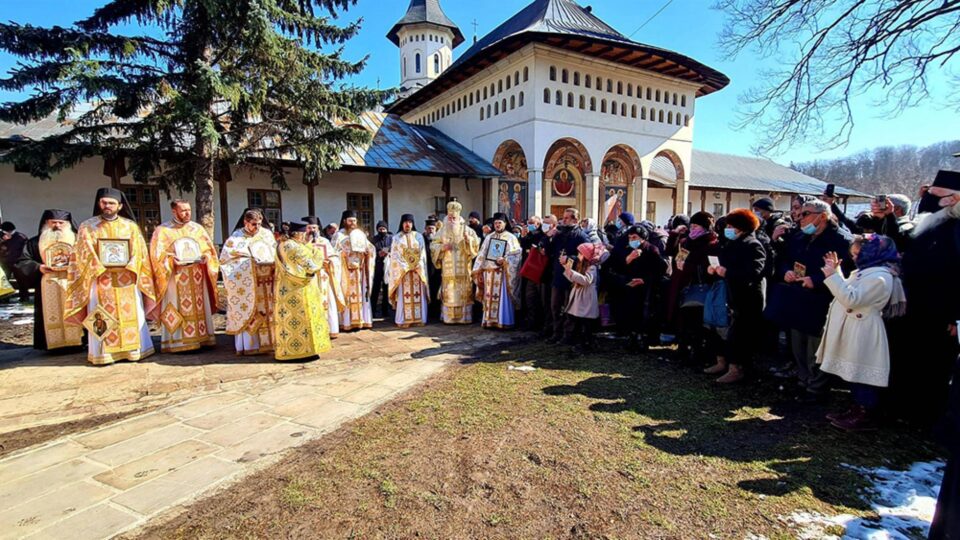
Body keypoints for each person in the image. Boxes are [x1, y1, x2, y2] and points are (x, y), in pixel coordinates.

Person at [765, 199, 853, 402]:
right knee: (798, 343)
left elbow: (846, 272)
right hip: (797, 296)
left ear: (822, 216)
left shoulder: (841, 241)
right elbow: (784, 259)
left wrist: (816, 280)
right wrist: (786, 271)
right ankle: (803, 379)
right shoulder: (799, 237)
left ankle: (816, 386)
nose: (800, 217)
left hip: (822, 300)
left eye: (806, 214)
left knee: (817, 347)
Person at [816, 234, 901, 431]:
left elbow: (852, 299)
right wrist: (836, 271)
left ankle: (866, 413)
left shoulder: (880, 277)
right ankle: (856, 408)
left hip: (864, 330)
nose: (854, 258)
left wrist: (832, 276)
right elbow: (845, 289)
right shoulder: (866, 272)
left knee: (862, 373)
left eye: (857, 254)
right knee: (853, 372)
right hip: (853, 328)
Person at [64, 188, 158, 365]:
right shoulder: (87, 227)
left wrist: (129, 266)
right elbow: (83, 253)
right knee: (101, 315)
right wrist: (99, 268)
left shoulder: (130, 226)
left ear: (120, 206)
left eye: (111, 203)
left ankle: (133, 351)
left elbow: (140, 252)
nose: (107, 206)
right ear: (99, 203)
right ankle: (103, 354)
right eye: (103, 202)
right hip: (100, 280)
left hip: (127, 280)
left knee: (132, 314)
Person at [705, 209, 767, 383]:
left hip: (748, 298)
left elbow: (754, 272)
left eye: (731, 226)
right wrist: (714, 270)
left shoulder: (753, 245)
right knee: (726, 331)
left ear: (741, 227)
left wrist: (728, 272)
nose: (728, 229)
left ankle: (737, 368)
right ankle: (723, 362)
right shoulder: (732, 243)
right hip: (732, 294)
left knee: (741, 335)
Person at [149, 200, 219, 353]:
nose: (187, 214)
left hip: (196, 277)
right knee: (177, 306)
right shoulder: (163, 231)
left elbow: (209, 251)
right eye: (183, 211)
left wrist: (206, 257)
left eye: (189, 210)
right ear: (174, 212)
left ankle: (203, 339)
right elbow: (156, 256)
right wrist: (170, 260)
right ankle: (177, 342)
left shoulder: (197, 229)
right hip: (175, 277)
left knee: (200, 307)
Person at [15, 209, 83, 351]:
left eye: (61, 222)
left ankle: (80, 343)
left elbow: (89, 259)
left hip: (73, 283)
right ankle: (53, 345)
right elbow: (22, 262)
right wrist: (39, 268)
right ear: (46, 223)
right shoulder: (34, 242)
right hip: (47, 283)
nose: (57, 225)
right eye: (53, 222)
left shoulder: (79, 240)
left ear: (68, 224)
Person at [219, 208, 277, 355]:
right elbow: (226, 263)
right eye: (253, 224)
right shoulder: (235, 240)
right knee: (250, 311)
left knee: (269, 312)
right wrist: (249, 264)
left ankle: (271, 342)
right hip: (247, 286)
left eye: (259, 224)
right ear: (245, 222)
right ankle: (250, 345)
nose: (257, 227)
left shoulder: (267, 235)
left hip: (268, 282)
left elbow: (275, 253)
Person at [271, 222, 331, 361]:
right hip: (299, 289)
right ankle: (302, 352)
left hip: (285, 288)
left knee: (288, 321)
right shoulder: (295, 247)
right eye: (304, 234)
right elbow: (312, 266)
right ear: (298, 234)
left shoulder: (282, 244)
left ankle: (287, 351)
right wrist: (318, 253)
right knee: (302, 320)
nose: (305, 236)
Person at [666, 211, 718, 363]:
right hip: (682, 285)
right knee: (683, 319)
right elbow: (673, 254)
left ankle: (698, 351)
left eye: (697, 226)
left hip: (699, 287)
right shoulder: (687, 241)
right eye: (692, 226)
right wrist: (674, 235)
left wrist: (689, 267)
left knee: (697, 321)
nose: (693, 229)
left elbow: (709, 266)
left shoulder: (712, 243)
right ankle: (683, 348)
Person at [606, 224, 668, 350]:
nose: (632, 240)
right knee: (630, 313)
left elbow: (660, 270)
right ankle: (632, 337)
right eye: (630, 237)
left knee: (644, 314)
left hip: (646, 289)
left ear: (643, 238)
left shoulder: (651, 249)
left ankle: (644, 339)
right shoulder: (626, 249)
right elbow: (616, 267)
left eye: (635, 237)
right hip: (630, 286)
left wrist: (645, 280)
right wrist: (628, 260)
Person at [430, 199, 480, 324]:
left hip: (463, 271)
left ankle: (464, 319)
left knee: (463, 294)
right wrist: (442, 247)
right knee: (449, 293)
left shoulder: (468, 231)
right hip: (448, 272)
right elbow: (433, 246)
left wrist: (469, 241)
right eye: (450, 217)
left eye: (454, 218)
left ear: (458, 217)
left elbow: (475, 249)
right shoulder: (442, 231)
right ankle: (448, 318)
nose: (452, 220)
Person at [472, 212, 522, 329]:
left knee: (502, 299)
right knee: (489, 297)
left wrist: (504, 259)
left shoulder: (511, 237)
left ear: (505, 223)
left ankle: (504, 321)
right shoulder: (489, 237)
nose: (497, 225)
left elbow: (517, 255)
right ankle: (489, 321)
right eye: (495, 223)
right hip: (489, 273)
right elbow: (482, 253)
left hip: (503, 273)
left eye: (500, 223)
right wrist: (478, 269)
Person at [304, 216, 344, 339]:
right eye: (309, 227)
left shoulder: (324, 242)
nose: (312, 230)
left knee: (327, 302)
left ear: (318, 228)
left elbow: (334, 257)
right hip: (307, 278)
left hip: (323, 277)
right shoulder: (301, 242)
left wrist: (330, 262)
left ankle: (329, 329)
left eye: (314, 227)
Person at [336, 210, 376, 331]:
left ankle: (362, 321)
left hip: (360, 272)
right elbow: (334, 253)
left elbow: (371, 249)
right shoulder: (339, 235)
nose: (352, 223)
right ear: (344, 221)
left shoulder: (360, 234)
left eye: (354, 221)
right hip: (346, 272)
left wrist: (368, 253)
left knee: (361, 296)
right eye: (350, 221)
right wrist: (343, 254)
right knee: (347, 295)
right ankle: (347, 322)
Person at [387, 214, 429, 328]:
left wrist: (418, 264)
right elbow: (395, 256)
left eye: (410, 222)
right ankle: (402, 320)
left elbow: (423, 253)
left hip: (417, 272)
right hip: (403, 273)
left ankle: (420, 318)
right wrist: (405, 266)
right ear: (402, 223)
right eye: (405, 222)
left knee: (418, 295)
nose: (407, 224)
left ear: (412, 224)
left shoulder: (419, 237)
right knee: (403, 296)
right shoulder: (396, 238)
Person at [561, 241, 600, 353]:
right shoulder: (581, 265)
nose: (578, 255)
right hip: (580, 296)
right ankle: (580, 343)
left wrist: (570, 271)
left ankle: (587, 343)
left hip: (586, 297)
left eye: (580, 253)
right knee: (578, 321)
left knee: (586, 322)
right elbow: (574, 278)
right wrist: (566, 267)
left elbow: (586, 280)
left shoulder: (592, 267)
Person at [0, 221, 30, 301]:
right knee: (4, 281)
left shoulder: (21, 237)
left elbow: (26, 249)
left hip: (18, 262)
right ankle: (4, 298)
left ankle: (24, 297)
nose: (9, 233)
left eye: (11, 232)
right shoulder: (1, 237)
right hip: (4, 263)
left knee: (22, 280)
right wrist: (2, 240)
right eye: (7, 232)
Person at [371, 220, 393, 318]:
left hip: (388, 267)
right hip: (377, 266)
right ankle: (373, 310)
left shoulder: (391, 239)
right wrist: (378, 253)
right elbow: (371, 251)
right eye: (380, 229)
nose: (382, 231)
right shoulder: (373, 239)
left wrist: (388, 253)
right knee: (375, 289)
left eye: (384, 229)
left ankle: (385, 310)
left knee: (386, 288)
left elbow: (395, 250)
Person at [423, 216, 442, 318]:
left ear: (435, 230)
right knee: (427, 290)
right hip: (425, 269)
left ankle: (436, 312)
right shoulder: (421, 239)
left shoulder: (439, 240)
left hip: (437, 269)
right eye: (429, 228)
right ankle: (428, 312)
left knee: (436, 289)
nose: (430, 230)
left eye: (432, 228)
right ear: (425, 229)